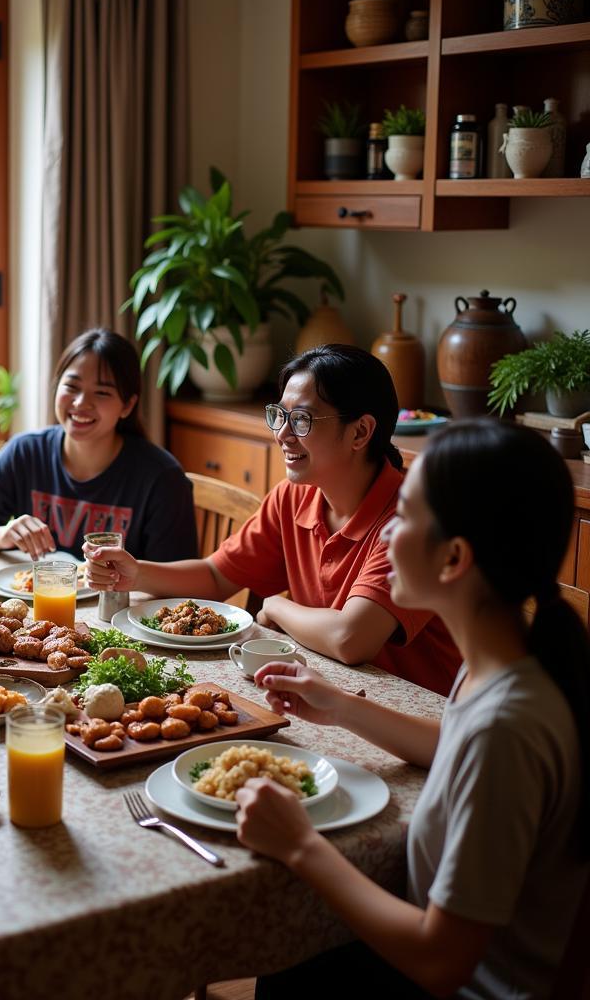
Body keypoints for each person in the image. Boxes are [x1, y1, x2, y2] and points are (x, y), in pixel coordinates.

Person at [237, 420, 590, 999]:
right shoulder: (500, 664)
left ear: (453, 558)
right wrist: (340, 705)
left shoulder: (509, 726)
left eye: (404, 517)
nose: (384, 537)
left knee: (288, 970)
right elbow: (452, 744)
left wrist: (301, 845)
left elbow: (441, 959)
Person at [85, 344, 461, 695]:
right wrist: (136, 573)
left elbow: (350, 639)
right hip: (332, 690)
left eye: (301, 419)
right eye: (279, 415)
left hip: (414, 710)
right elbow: (217, 577)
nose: (282, 434)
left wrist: (275, 606)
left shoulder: (408, 518)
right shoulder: (294, 495)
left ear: (360, 432)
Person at [0, 328, 197, 561]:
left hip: (121, 603)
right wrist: (2, 535)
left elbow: (180, 584)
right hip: (37, 599)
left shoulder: (161, 478)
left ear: (127, 406)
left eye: (102, 392)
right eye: (71, 387)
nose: (81, 403)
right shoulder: (25, 452)